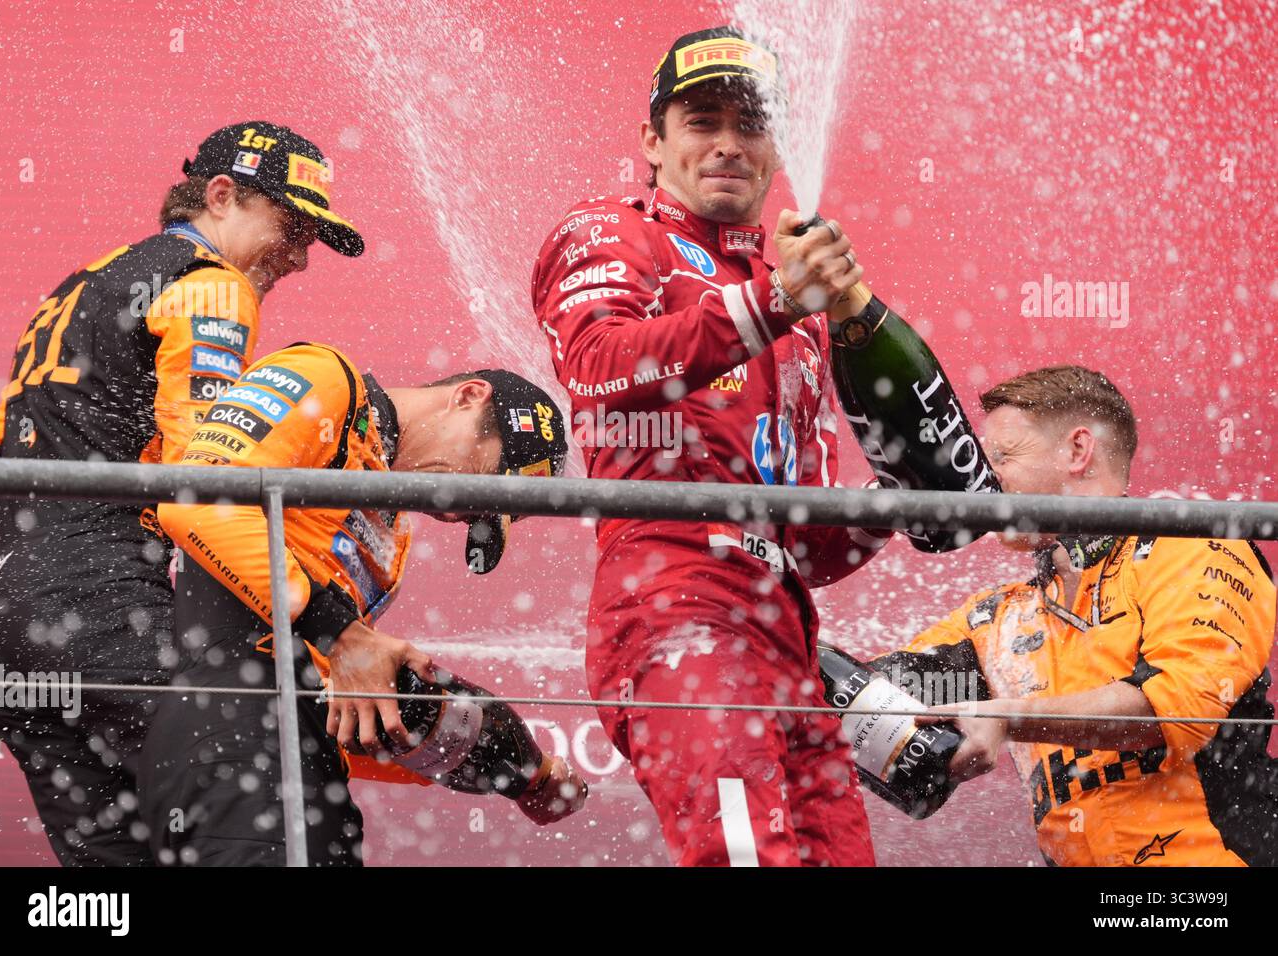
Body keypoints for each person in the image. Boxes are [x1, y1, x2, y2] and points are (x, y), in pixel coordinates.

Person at [531, 25, 929, 866]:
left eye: (749, 126)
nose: (727, 144)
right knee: (741, 858)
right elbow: (595, 364)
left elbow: (807, 547)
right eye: (701, 120)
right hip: (673, 601)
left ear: (777, 145)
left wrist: (900, 496)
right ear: (653, 141)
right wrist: (778, 298)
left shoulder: (801, 310)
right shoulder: (613, 229)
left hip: (787, 628)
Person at [0, 121, 363, 865]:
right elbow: (206, 472)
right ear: (221, 196)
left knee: (109, 885)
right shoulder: (209, 283)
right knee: (256, 823)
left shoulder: (82, 283)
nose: (300, 259)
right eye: (291, 227)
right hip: (106, 608)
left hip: (5, 629)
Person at [142, 342, 585, 865]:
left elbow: (349, 697)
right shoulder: (325, 378)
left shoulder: (393, 539)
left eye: (481, 519)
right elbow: (197, 500)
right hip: (231, 733)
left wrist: (512, 767)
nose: (462, 516)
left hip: (300, 759)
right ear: (468, 396)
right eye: (485, 487)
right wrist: (345, 635)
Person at [871, 366, 1277, 866]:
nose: (983, 480)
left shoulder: (1196, 547)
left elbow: (1174, 711)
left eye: (1001, 457)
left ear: (1077, 452)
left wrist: (1006, 717)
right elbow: (875, 690)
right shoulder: (997, 617)